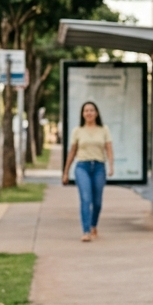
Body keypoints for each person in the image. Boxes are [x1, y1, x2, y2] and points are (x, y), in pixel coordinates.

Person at [62, 101, 113, 242]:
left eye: (91, 110)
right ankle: (86, 231)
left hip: (98, 167)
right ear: (82, 114)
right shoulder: (78, 131)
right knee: (86, 198)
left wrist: (111, 166)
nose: (89, 113)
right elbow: (72, 152)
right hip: (82, 167)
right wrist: (66, 172)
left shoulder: (104, 130)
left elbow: (108, 148)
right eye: (86, 111)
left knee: (97, 202)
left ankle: (93, 225)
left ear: (96, 113)